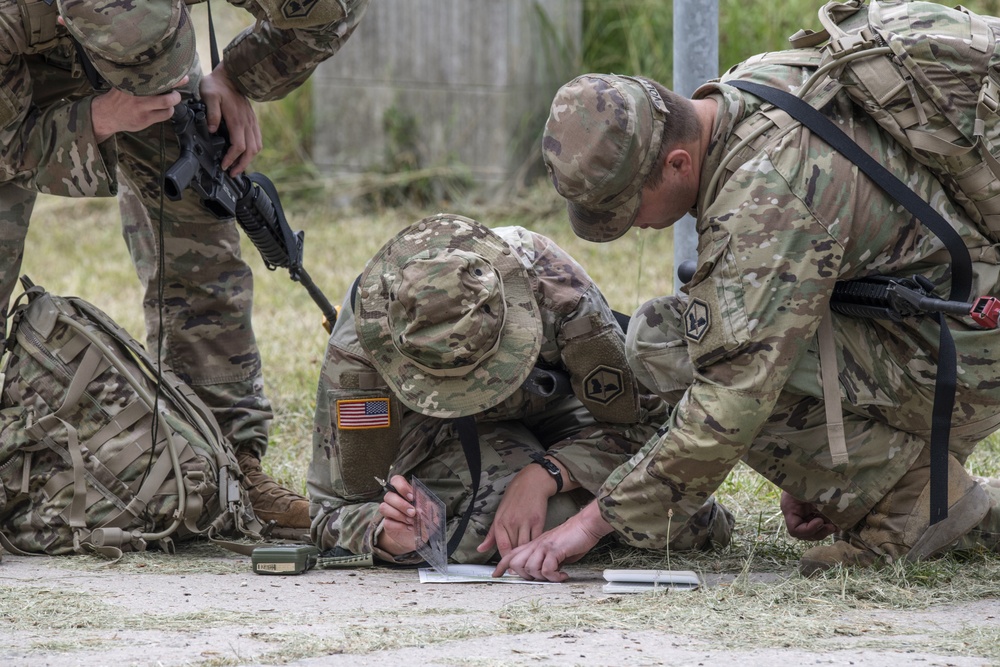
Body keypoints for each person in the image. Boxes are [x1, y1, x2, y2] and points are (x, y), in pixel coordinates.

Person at [495, 65, 1000, 581]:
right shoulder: (756, 88)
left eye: (631, 209)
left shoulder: (765, 193)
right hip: (941, 320)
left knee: (668, 342)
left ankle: (908, 504)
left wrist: (590, 523)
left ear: (677, 163)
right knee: (671, 330)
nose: (635, 228)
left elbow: (732, 397)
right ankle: (925, 489)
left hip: (965, 352)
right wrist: (821, 469)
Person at [0, 0, 369, 532]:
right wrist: (97, 119)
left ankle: (226, 467)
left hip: (149, 68)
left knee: (202, 212)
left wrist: (237, 77)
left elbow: (329, 9)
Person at [307, 213, 734, 564]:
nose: (471, 390)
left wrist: (548, 473)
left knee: (683, 516)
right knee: (511, 525)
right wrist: (388, 534)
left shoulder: (559, 295)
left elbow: (642, 430)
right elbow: (332, 510)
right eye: (445, 381)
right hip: (439, 433)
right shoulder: (360, 352)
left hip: (560, 412)